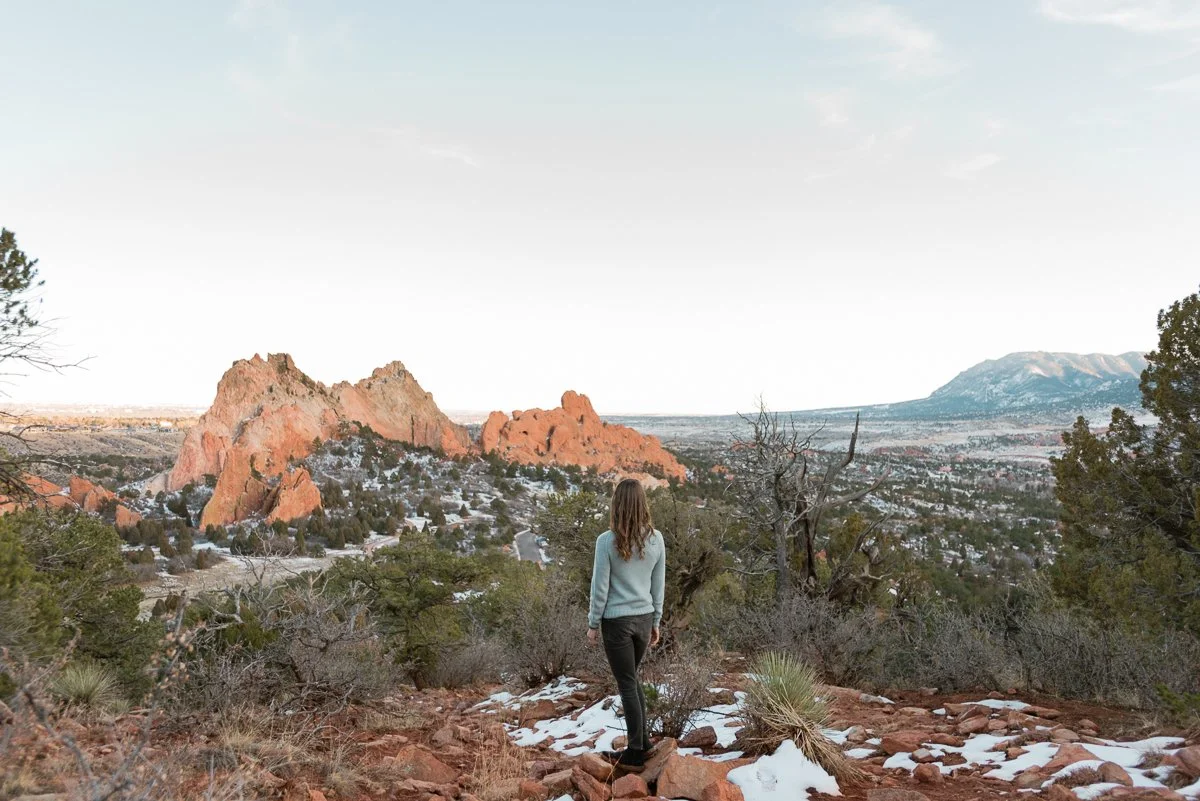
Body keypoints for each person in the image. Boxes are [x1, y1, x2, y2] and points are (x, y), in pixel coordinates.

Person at [586, 477, 666, 770]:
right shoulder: (656, 539)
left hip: (616, 623)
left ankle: (634, 752)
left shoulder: (606, 542)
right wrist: (656, 620)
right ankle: (643, 741)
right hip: (644, 620)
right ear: (643, 504)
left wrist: (593, 624)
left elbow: (600, 587)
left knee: (627, 683)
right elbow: (659, 587)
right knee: (632, 680)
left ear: (616, 505)